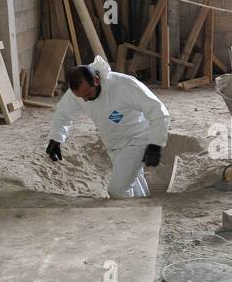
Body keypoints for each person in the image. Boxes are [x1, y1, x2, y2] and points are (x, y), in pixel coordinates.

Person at [45, 55, 169, 199]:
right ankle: (144, 210)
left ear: (96, 80)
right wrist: (56, 138)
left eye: (88, 94)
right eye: (81, 97)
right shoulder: (79, 91)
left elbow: (159, 111)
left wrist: (155, 145)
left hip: (138, 140)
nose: (85, 100)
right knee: (132, 182)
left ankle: (128, 217)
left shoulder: (124, 85)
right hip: (114, 146)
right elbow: (63, 114)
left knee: (117, 190)